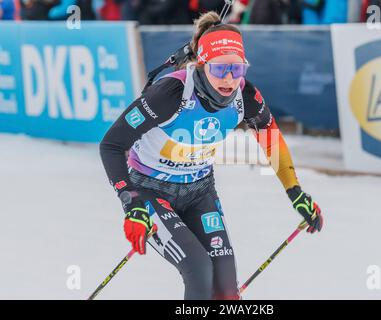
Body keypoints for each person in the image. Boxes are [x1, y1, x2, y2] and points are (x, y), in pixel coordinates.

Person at [99, 11, 324, 300]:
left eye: (237, 69)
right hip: (150, 192)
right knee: (199, 270)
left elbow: (271, 140)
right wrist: (131, 202)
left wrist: (295, 192)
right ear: (202, 64)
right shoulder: (171, 93)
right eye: (219, 69)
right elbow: (112, 145)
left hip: (199, 193)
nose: (229, 79)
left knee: (226, 293)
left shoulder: (246, 97)